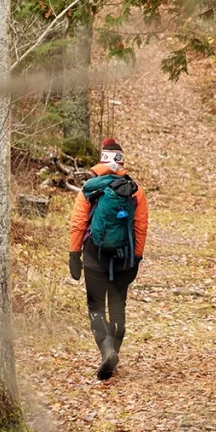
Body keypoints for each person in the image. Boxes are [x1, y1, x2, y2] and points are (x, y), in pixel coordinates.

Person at [68, 139, 149, 380]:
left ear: (102, 160)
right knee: (117, 308)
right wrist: (137, 257)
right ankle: (113, 354)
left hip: (94, 256)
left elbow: (78, 224)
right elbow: (140, 226)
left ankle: (106, 351)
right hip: (123, 259)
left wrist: (74, 254)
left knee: (95, 307)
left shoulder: (90, 188)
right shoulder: (135, 190)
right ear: (121, 162)